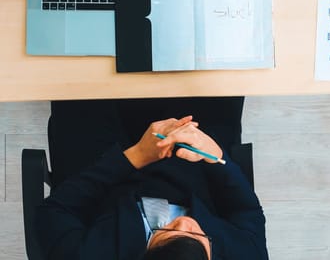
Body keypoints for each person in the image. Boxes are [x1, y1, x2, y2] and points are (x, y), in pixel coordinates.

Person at [36, 97, 268, 260]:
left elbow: (55, 211)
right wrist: (215, 157)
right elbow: (247, 212)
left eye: (171, 230)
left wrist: (134, 157)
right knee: (210, 67)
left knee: (80, 72)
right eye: (200, 235)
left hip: (104, 172)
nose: (187, 223)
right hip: (193, 165)